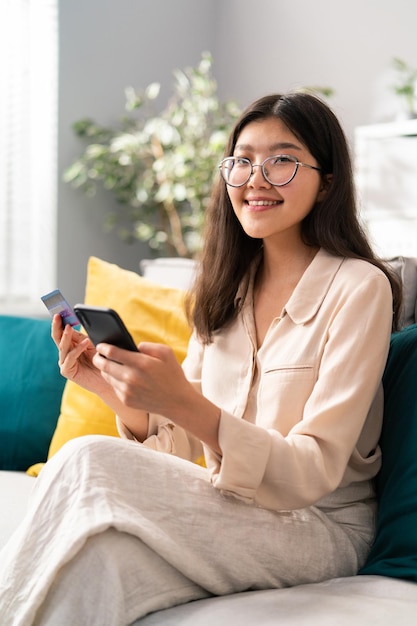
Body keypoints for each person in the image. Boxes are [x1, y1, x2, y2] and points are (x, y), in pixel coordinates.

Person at [0, 92, 402, 625]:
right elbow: (179, 445)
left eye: (281, 160)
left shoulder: (359, 287)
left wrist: (188, 405)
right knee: (100, 562)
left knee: (86, 458)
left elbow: (312, 471)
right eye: (241, 160)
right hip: (229, 511)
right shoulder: (224, 291)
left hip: (320, 526)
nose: (255, 178)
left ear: (326, 180)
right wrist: (109, 388)